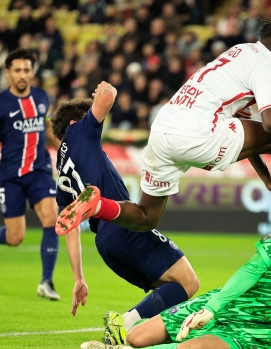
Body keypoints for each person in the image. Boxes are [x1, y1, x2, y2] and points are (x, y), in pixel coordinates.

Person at [56, 18, 271, 246]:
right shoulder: (269, 64)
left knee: (147, 216)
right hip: (197, 129)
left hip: (163, 128)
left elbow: (249, 126)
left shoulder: (241, 52)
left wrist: (268, 179)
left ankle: (96, 206)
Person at [80, 214, 271, 349]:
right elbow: (253, 269)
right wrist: (212, 308)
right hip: (221, 305)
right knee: (136, 338)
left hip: (250, 337)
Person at [50, 84, 200, 345]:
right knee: (189, 282)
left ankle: (141, 336)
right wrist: (101, 90)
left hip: (106, 245)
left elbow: (69, 227)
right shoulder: (79, 131)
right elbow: (108, 95)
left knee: (168, 289)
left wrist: (79, 278)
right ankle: (124, 323)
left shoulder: (61, 172)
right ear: (74, 122)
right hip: (122, 225)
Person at [0, 48, 62, 301]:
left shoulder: (42, 97)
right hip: (10, 176)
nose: (23, 75)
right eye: (18, 70)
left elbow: (50, 131)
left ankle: (47, 281)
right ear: (8, 73)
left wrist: (67, 154)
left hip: (40, 171)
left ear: (33, 72)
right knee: (15, 237)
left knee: (51, 217)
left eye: (27, 70)